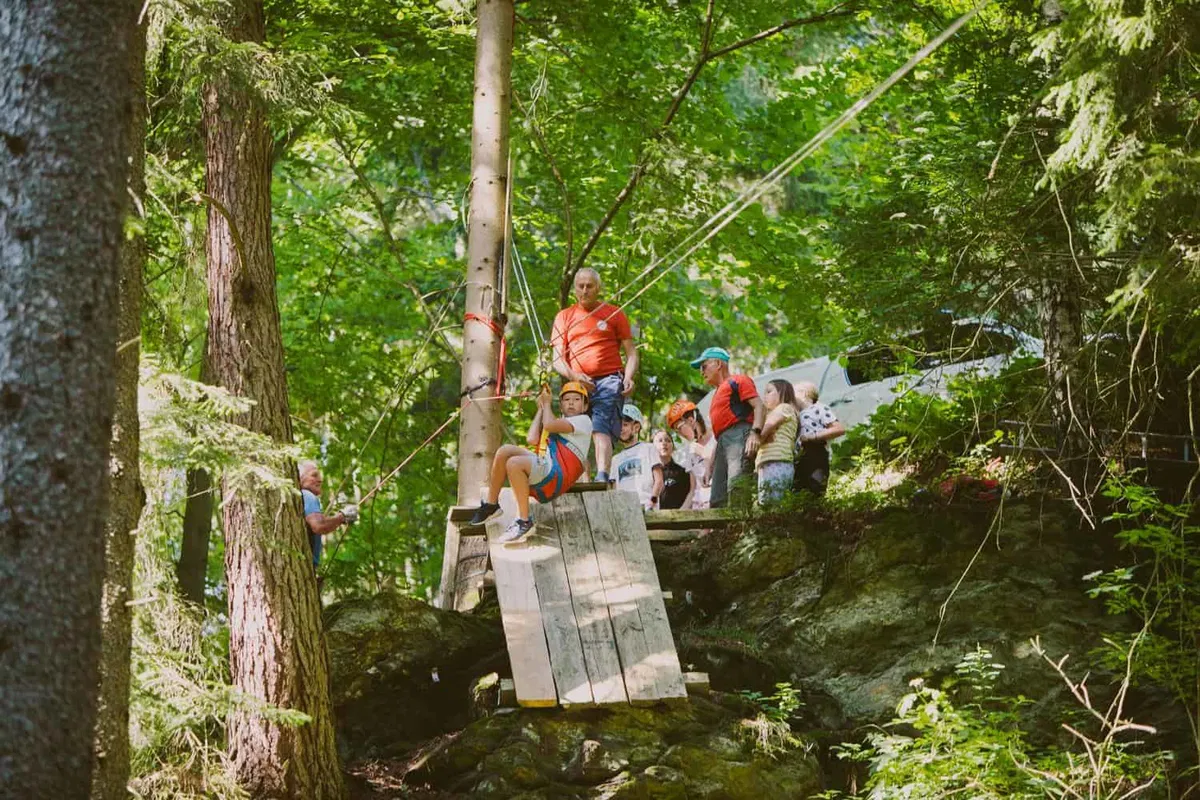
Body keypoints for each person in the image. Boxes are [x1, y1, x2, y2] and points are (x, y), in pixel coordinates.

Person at [469, 382, 593, 543]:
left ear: (584, 406)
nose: (570, 402)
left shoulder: (583, 421)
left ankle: (523, 520)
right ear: (561, 406)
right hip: (548, 465)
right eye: (566, 399)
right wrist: (541, 409)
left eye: (576, 399)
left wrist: (547, 404)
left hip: (557, 474)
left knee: (514, 464)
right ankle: (492, 504)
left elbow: (549, 425)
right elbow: (532, 439)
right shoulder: (558, 421)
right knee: (504, 451)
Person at [551, 268, 638, 483]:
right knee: (574, 431)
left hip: (609, 380)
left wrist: (628, 377)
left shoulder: (614, 313)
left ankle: (602, 476)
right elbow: (556, 359)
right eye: (580, 286)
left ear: (598, 288)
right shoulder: (565, 316)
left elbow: (632, 352)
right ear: (574, 289)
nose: (585, 290)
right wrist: (574, 376)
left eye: (590, 286)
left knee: (601, 428)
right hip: (577, 383)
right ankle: (581, 480)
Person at [690, 347, 764, 508]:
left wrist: (755, 433)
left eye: (703, 366)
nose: (701, 372)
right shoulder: (716, 394)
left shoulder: (738, 381)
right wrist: (710, 465)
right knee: (717, 497)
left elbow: (759, 405)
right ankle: (722, 532)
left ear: (717, 363)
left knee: (737, 486)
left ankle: (741, 530)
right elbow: (719, 434)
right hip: (722, 443)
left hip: (739, 435)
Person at [299, 461, 358, 567]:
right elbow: (319, 525)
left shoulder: (300, 498)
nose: (320, 480)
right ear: (300, 478)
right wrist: (342, 516)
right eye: (314, 475)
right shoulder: (307, 495)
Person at [792, 381, 846, 496]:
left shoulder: (819, 408)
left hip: (816, 452)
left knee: (816, 486)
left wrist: (814, 436)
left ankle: (819, 512)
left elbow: (838, 429)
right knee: (799, 489)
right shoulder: (796, 415)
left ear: (803, 393)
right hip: (800, 457)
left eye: (793, 393)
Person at [755, 379, 799, 504]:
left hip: (777, 461)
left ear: (783, 392)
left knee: (772, 505)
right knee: (769, 504)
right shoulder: (780, 411)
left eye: (769, 391)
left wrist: (760, 437)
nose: (765, 396)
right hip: (770, 462)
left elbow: (764, 431)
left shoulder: (784, 407)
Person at [667, 399, 715, 509]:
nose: (680, 434)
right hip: (699, 508)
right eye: (676, 432)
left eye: (679, 428)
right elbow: (693, 490)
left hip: (716, 503)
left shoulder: (716, 438)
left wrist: (697, 448)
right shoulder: (690, 452)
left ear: (691, 420)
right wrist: (678, 516)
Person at [611, 403, 657, 509]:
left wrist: (652, 501)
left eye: (625, 425)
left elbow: (658, 480)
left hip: (646, 506)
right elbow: (613, 489)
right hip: (624, 509)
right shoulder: (615, 459)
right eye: (619, 425)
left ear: (636, 427)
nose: (621, 429)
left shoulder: (649, 448)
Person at [649, 429, 695, 510]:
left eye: (668, 440)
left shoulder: (683, 472)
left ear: (673, 447)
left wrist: (681, 513)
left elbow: (692, 493)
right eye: (660, 441)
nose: (664, 443)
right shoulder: (648, 474)